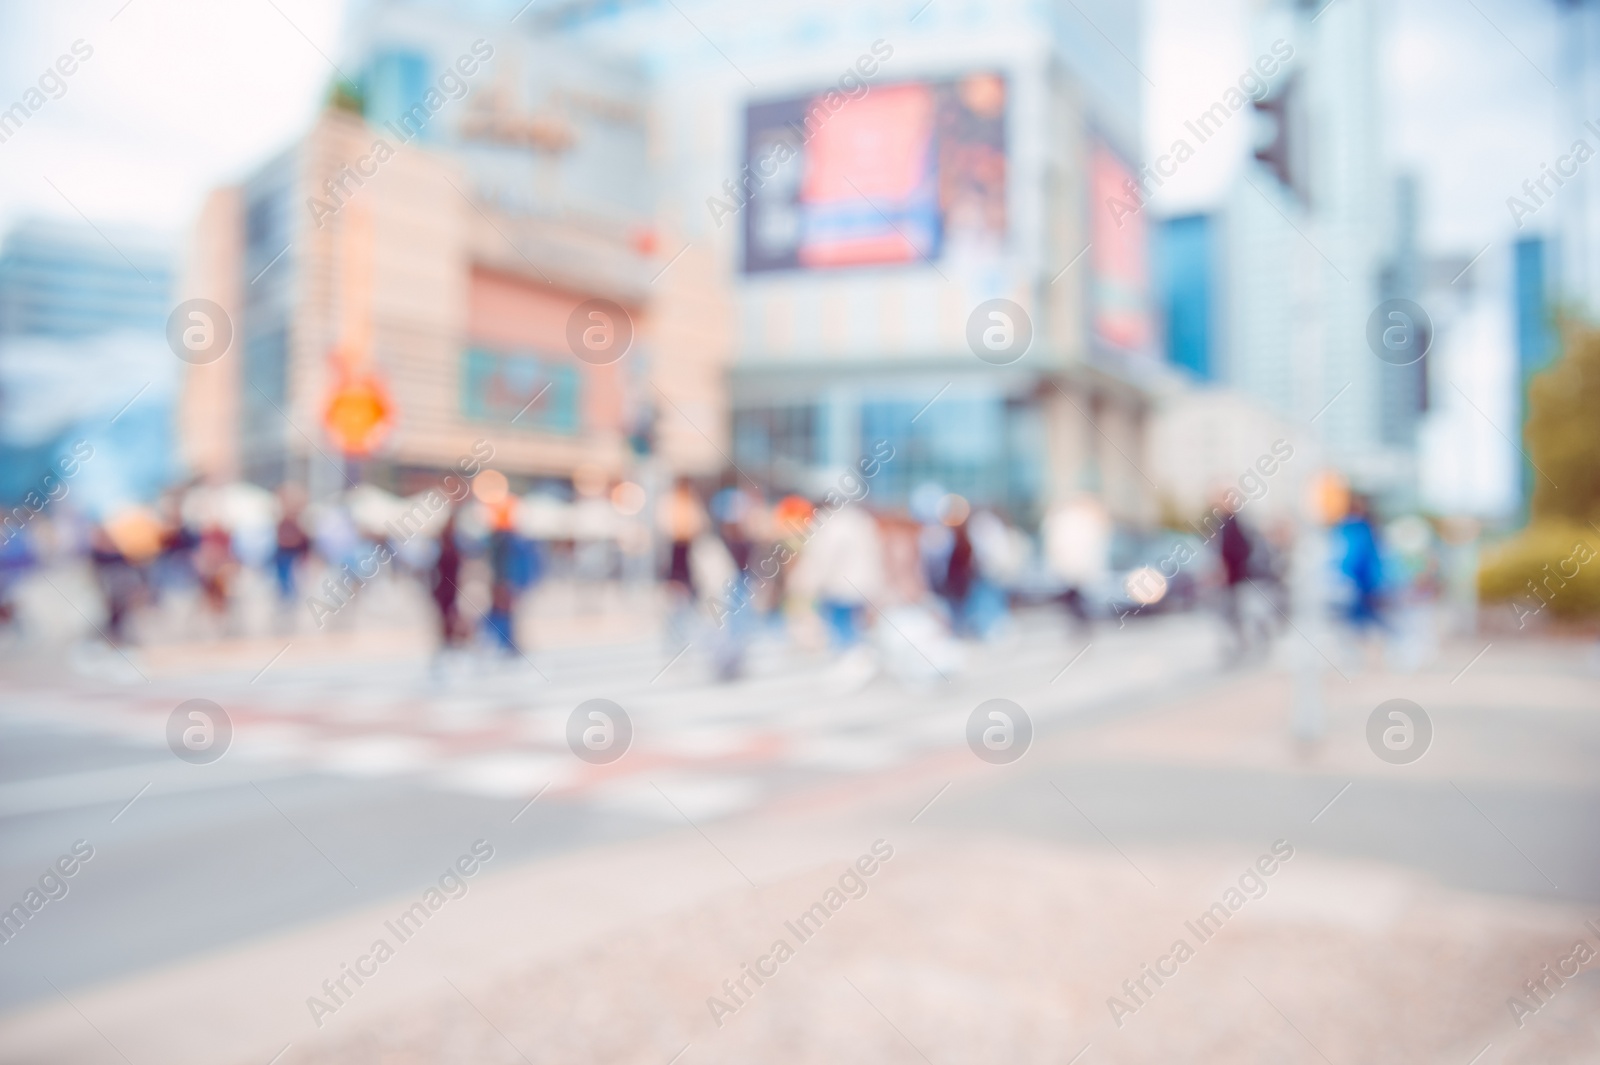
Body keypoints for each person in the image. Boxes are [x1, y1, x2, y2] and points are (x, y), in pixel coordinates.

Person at [1216, 497, 1255, 663]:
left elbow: (1234, 549)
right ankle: (1240, 642)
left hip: (1234, 577)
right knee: (1232, 612)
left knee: (1233, 612)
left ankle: (1241, 643)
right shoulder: (1230, 522)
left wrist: (1227, 568)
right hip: (1235, 578)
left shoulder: (1232, 523)